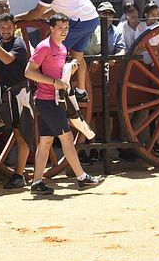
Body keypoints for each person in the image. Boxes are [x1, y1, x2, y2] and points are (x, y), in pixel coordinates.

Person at [24, 13, 103, 194]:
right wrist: (53, 83)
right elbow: (29, 72)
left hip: (51, 100)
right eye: (60, 28)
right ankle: (82, 178)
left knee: (45, 142)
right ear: (51, 28)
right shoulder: (44, 47)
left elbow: (58, 74)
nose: (64, 32)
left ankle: (37, 183)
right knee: (67, 138)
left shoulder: (61, 49)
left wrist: (70, 67)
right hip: (48, 101)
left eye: (66, 28)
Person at [17, 0, 100, 103]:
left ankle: (56, 87)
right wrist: (40, 16)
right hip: (91, 18)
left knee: (54, 50)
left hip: (80, 20)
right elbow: (53, 9)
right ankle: (81, 91)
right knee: (77, 54)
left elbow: (37, 12)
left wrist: (18, 18)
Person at [0, 13, 34, 189]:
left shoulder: (18, 44)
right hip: (5, 94)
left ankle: (19, 176)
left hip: (19, 94)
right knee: (0, 126)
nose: (6, 31)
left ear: (15, 27)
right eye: (2, 28)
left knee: (21, 134)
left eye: (9, 27)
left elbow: (7, 59)